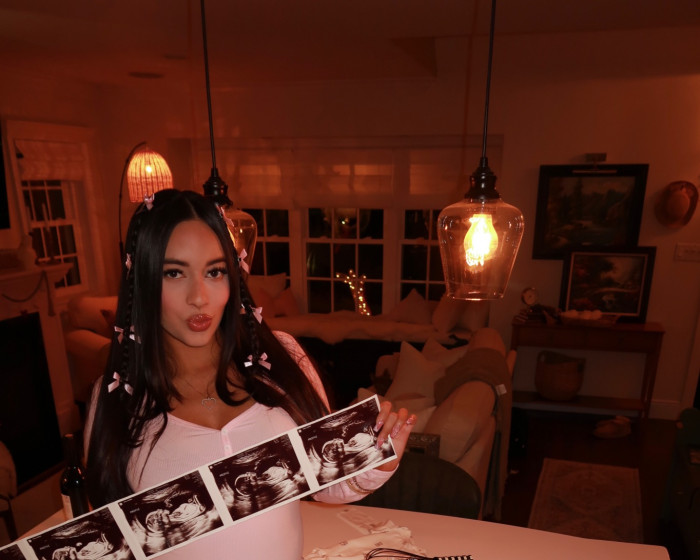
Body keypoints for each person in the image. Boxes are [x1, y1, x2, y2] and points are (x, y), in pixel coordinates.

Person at [84, 189, 416, 560]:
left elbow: (324, 484)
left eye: (214, 272)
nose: (199, 297)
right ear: (142, 281)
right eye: (174, 273)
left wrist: (377, 460)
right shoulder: (116, 397)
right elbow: (111, 540)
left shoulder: (282, 359)